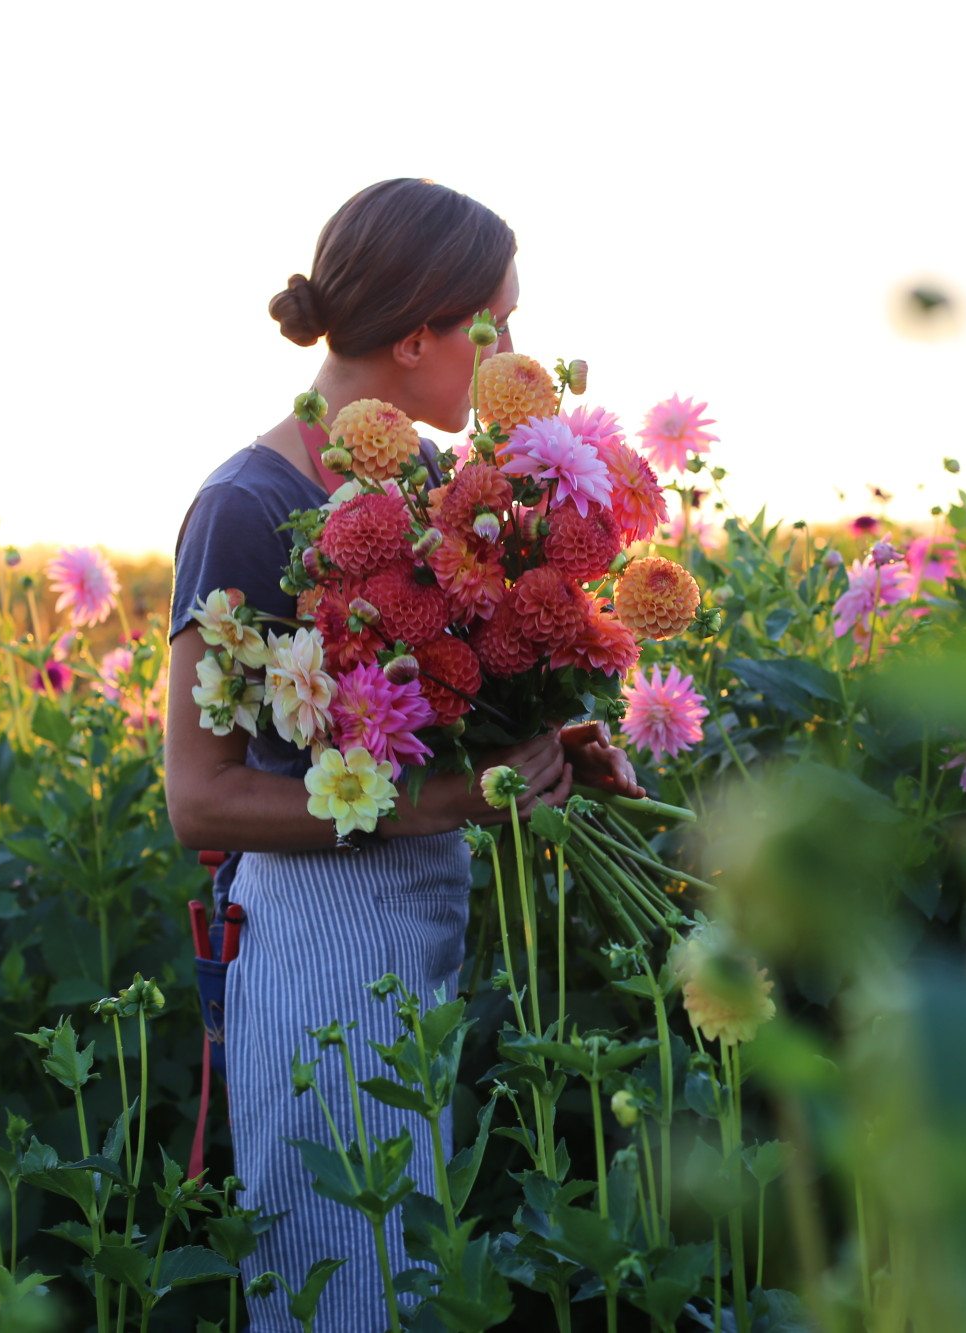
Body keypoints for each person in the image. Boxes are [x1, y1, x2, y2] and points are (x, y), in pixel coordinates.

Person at [163, 177, 641, 1329]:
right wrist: (435, 805)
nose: (513, 355)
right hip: (308, 945)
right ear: (419, 334)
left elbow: (438, 722)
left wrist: (540, 745)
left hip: (416, 929)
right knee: (338, 1289)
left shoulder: (431, 489)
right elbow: (199, 801)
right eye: (495, 327)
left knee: (401, 1279)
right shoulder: (245, 504)